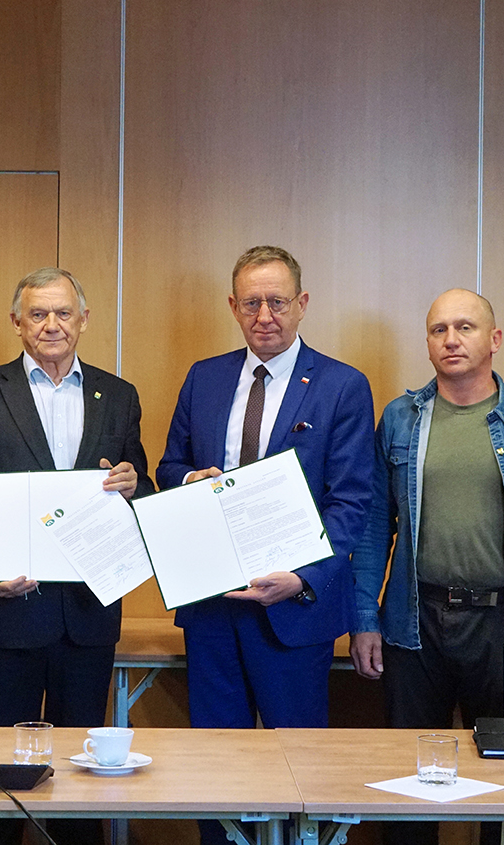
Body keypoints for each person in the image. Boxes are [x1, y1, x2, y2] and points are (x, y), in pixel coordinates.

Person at [0, 267, 153, 845]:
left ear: (84, 320)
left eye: (63, 313)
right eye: (37, 314)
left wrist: (134, 484)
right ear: (17, 322)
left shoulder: (119, 395)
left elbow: (141, 489)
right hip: (3, 616)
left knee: (82, 782)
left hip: (87, 618)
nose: (51, 325)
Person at [156, 245, 375, 737]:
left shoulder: (342, 385)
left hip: (294, 607)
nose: (264, 316)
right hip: (211, 603)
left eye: (277, 302)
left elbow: (351, 502)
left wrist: (302, 578)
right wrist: (191, 481)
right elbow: (169, 468)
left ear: (302, 304)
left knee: (296, 760)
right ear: (233, 307)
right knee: (216, 759)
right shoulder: (204, 377)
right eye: (251, 303)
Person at [351, 288, 504, 726]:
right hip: (415, 621)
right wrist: (364, 617)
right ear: (428, 343)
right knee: (413, 757)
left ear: (494, 339)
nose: (451, 340)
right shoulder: (400, 419)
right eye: (438, 330)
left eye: (465, 328)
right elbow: (373, 527)